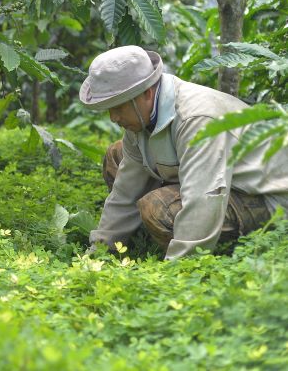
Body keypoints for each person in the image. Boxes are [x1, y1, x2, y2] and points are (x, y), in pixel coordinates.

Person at [79, 45, 288, 260]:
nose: (113, 117)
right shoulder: (141, 117)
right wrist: (100, 250)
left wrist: (178, 270)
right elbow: (126, 190)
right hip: (220, 182)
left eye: (119, 107)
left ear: (147, 94)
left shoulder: (196, 119)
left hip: (267, 198)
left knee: (158, 209)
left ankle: (219, 250)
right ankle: (149, 237)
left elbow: (204, 200)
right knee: (117, 155)